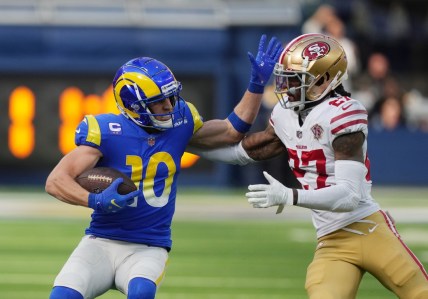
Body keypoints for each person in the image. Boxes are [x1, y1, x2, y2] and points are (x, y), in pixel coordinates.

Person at [45, 34, 283, 299]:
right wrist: (94, 200)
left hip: (149, 245)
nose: (170, 106)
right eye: (160, 101)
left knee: (142, 292)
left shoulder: (180, 122)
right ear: (133, 104)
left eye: (171, 98)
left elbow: (231, 130)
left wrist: (256, 84)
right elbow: (56, 181)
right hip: (100, 241)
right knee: (62, 296)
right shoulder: (106, 131)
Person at [194, 33, 428, 298]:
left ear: (326, 79)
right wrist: (184, 144)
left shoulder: (344, 113)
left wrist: (289, 195)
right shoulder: (285, 114)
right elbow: (241, 152)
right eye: (285, 79)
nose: (287, 88)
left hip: (368, 227)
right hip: (331, 240)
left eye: (296, 80)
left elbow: (350, 195)